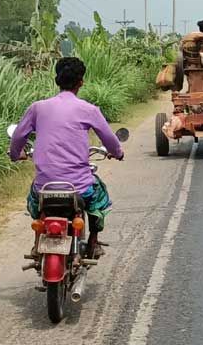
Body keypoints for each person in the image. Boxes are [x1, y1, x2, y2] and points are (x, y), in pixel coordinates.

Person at [9, 57, 124, 258]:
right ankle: (93, 242)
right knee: (100, 197)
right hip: (79, 187)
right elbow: (110, 139)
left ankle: (38, 242)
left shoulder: (38, 108)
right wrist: (118, 153)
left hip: (45, 187)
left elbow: (18, 136)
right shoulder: (89, 110)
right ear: (81, 82)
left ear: (57, 80)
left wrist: (15, 154)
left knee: (34, 200)